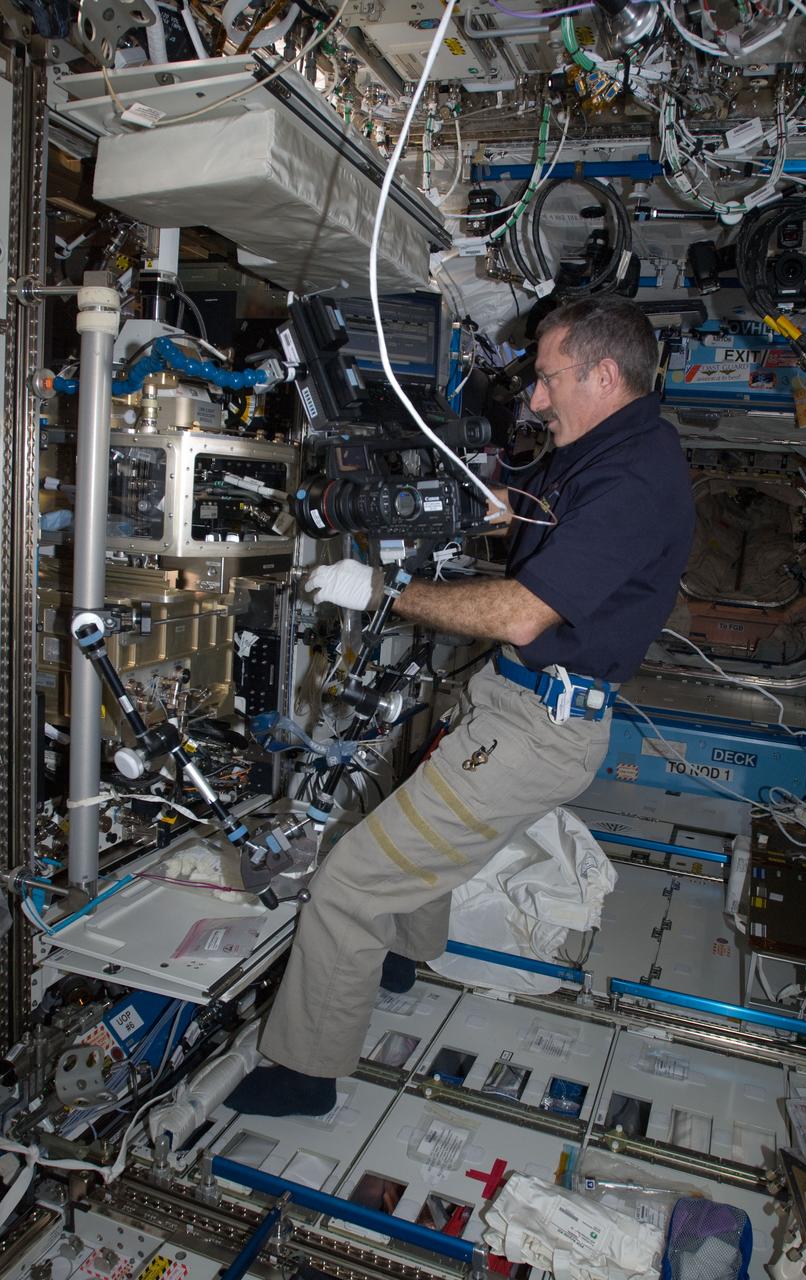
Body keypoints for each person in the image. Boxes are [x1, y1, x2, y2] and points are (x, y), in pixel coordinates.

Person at [227, 295, 696, 1117]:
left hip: (539, 729)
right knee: (419, 818)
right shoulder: (606, 447)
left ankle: (305, 1072)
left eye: (549, 381)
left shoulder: (636, 481)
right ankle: (404, 957)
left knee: (348, 881)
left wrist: (385, 590)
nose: (536, 400)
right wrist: (483, 499)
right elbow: (534, 509)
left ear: (604, 374)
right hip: (512, 698)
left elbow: (521, 613)